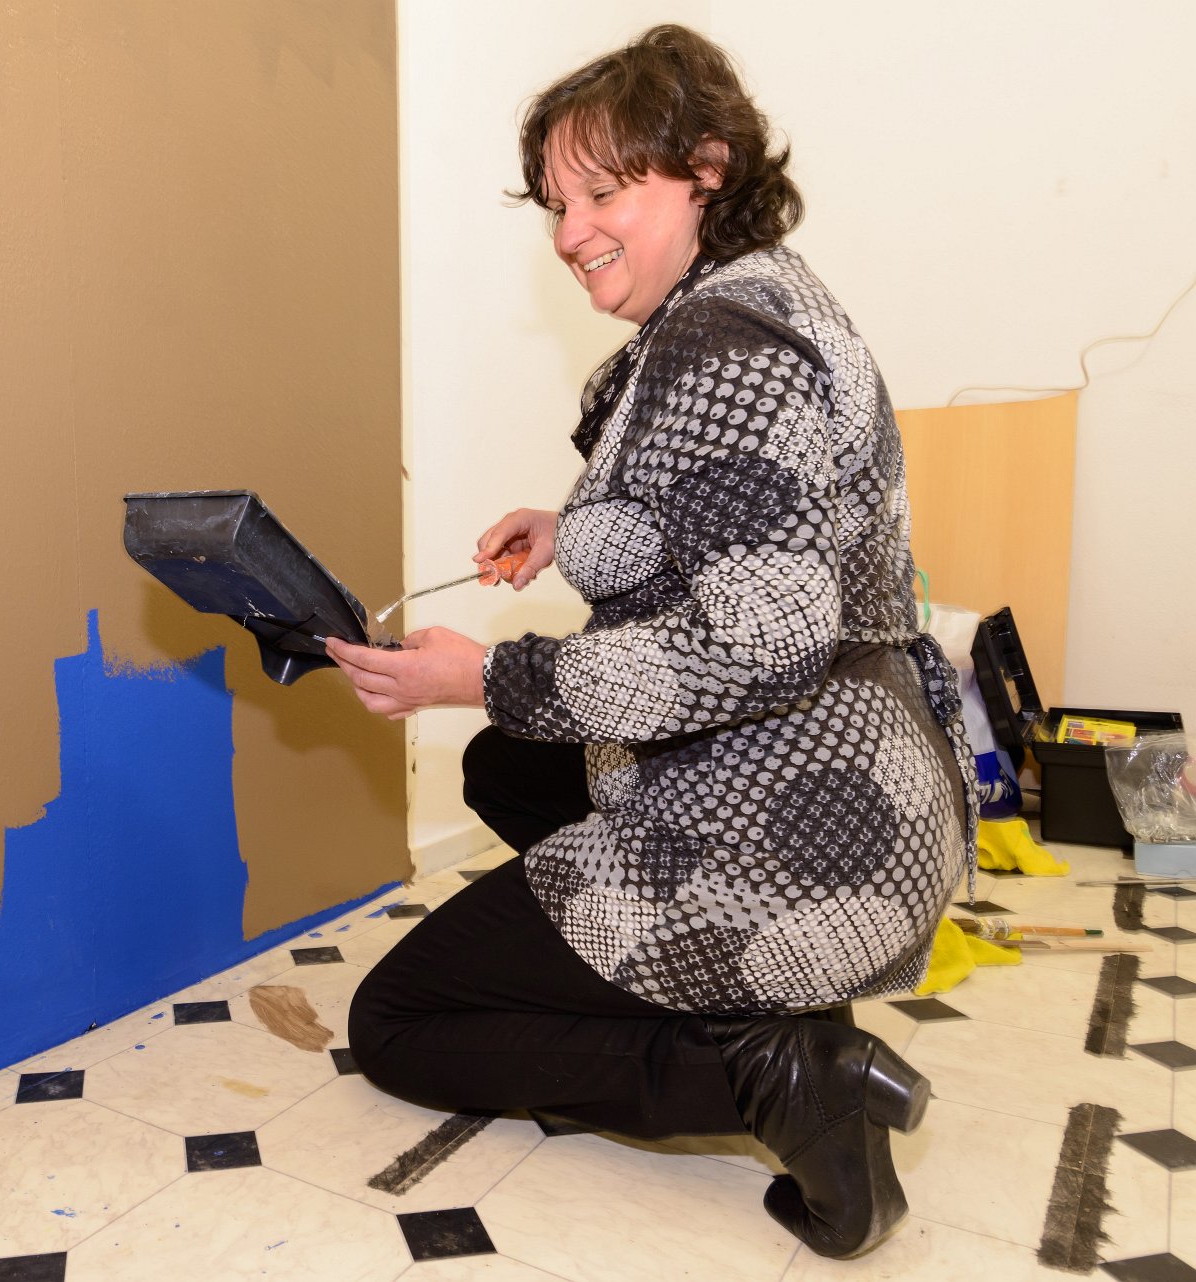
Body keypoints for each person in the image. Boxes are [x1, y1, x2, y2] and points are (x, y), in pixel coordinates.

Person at [324, 24, 976, 1260]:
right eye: (556, 204)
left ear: (706, 171)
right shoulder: (753, 299)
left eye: (604, 193)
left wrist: (482, 674)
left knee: (398, 1021)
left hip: (800, 826)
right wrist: (568, 530)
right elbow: (740, 516)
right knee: (508, 770)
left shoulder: (725, 347)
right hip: (858, 782)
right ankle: (767, 1004)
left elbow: (764, 643)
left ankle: (785, 1076)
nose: (570, 231)